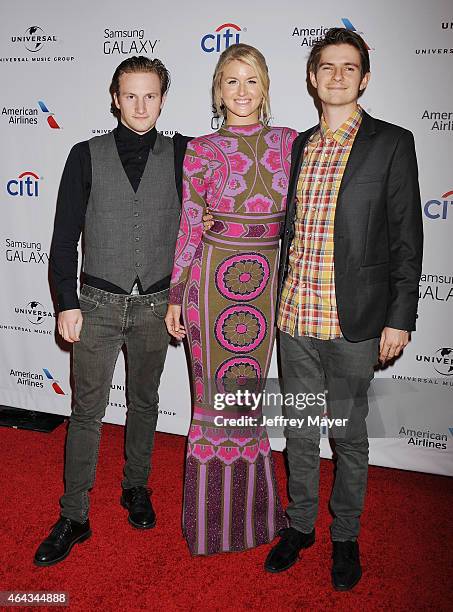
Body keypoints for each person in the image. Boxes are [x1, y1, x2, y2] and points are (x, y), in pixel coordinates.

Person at [264, 28, 423, 590]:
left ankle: (345, 535)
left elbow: (407, 238)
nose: (336, 76)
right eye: (326, 67)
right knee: (302, 430)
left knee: (349, 434)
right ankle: (301, 525)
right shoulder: (298, 145)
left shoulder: (391, 143)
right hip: (294, 317)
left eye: (348, 67)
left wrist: (400, 316)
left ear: (364, 77)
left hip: (354, 321)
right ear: (312, 77)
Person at [34, 56, 189, 566]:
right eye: (131, 95)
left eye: (151, 95)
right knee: (87, 412)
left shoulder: (186, 153)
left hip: (156, 305)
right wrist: (67, 302)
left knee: (145, 403)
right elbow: (62, 238)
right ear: (115, 99)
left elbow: (205, 230)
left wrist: (182, 298)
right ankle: (74, 514)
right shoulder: (85, 155)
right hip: (96, 304)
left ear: (163, 99)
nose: (141, 105)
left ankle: (135, 487)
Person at [165, 43, 298, 555]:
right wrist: (177, 293)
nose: (241, 92)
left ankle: (255, 519)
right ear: (217, 92)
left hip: (264, 288)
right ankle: (210, 526)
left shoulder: (290, 143)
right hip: (210, 285)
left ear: (265, 88)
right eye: (230, 81)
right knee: (211, 402)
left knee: (245, 401)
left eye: (251, 81)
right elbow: (190, 226)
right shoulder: (200, 149)